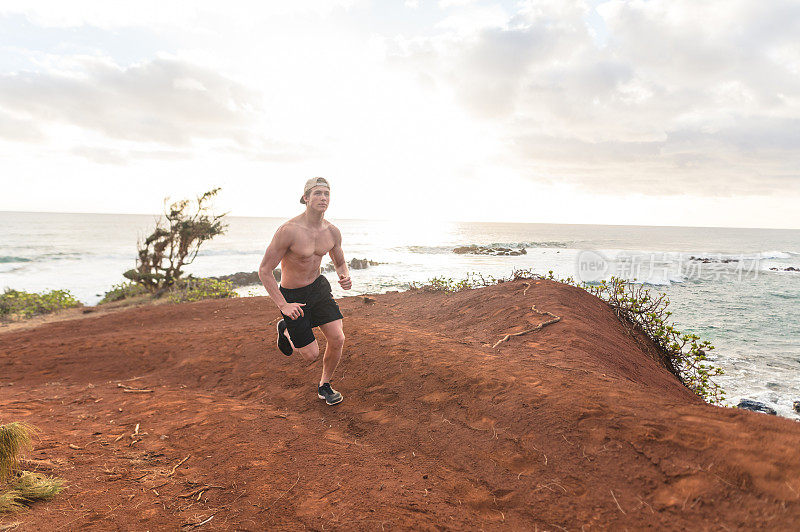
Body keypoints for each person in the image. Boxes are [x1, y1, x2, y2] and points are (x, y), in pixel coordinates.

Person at [258, 177, 351, 405]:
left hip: (318, 289)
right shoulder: (288, 231)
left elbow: (339, 262)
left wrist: (344, 275)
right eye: (317, 193)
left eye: (326, 194)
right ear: (306, 198)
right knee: (311, 355)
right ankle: (286, 329)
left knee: (338, 338)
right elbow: (264, 270)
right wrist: (283, 305)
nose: (323, 198)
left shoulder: (332, 232)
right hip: (293, 297)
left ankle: (324, 386)